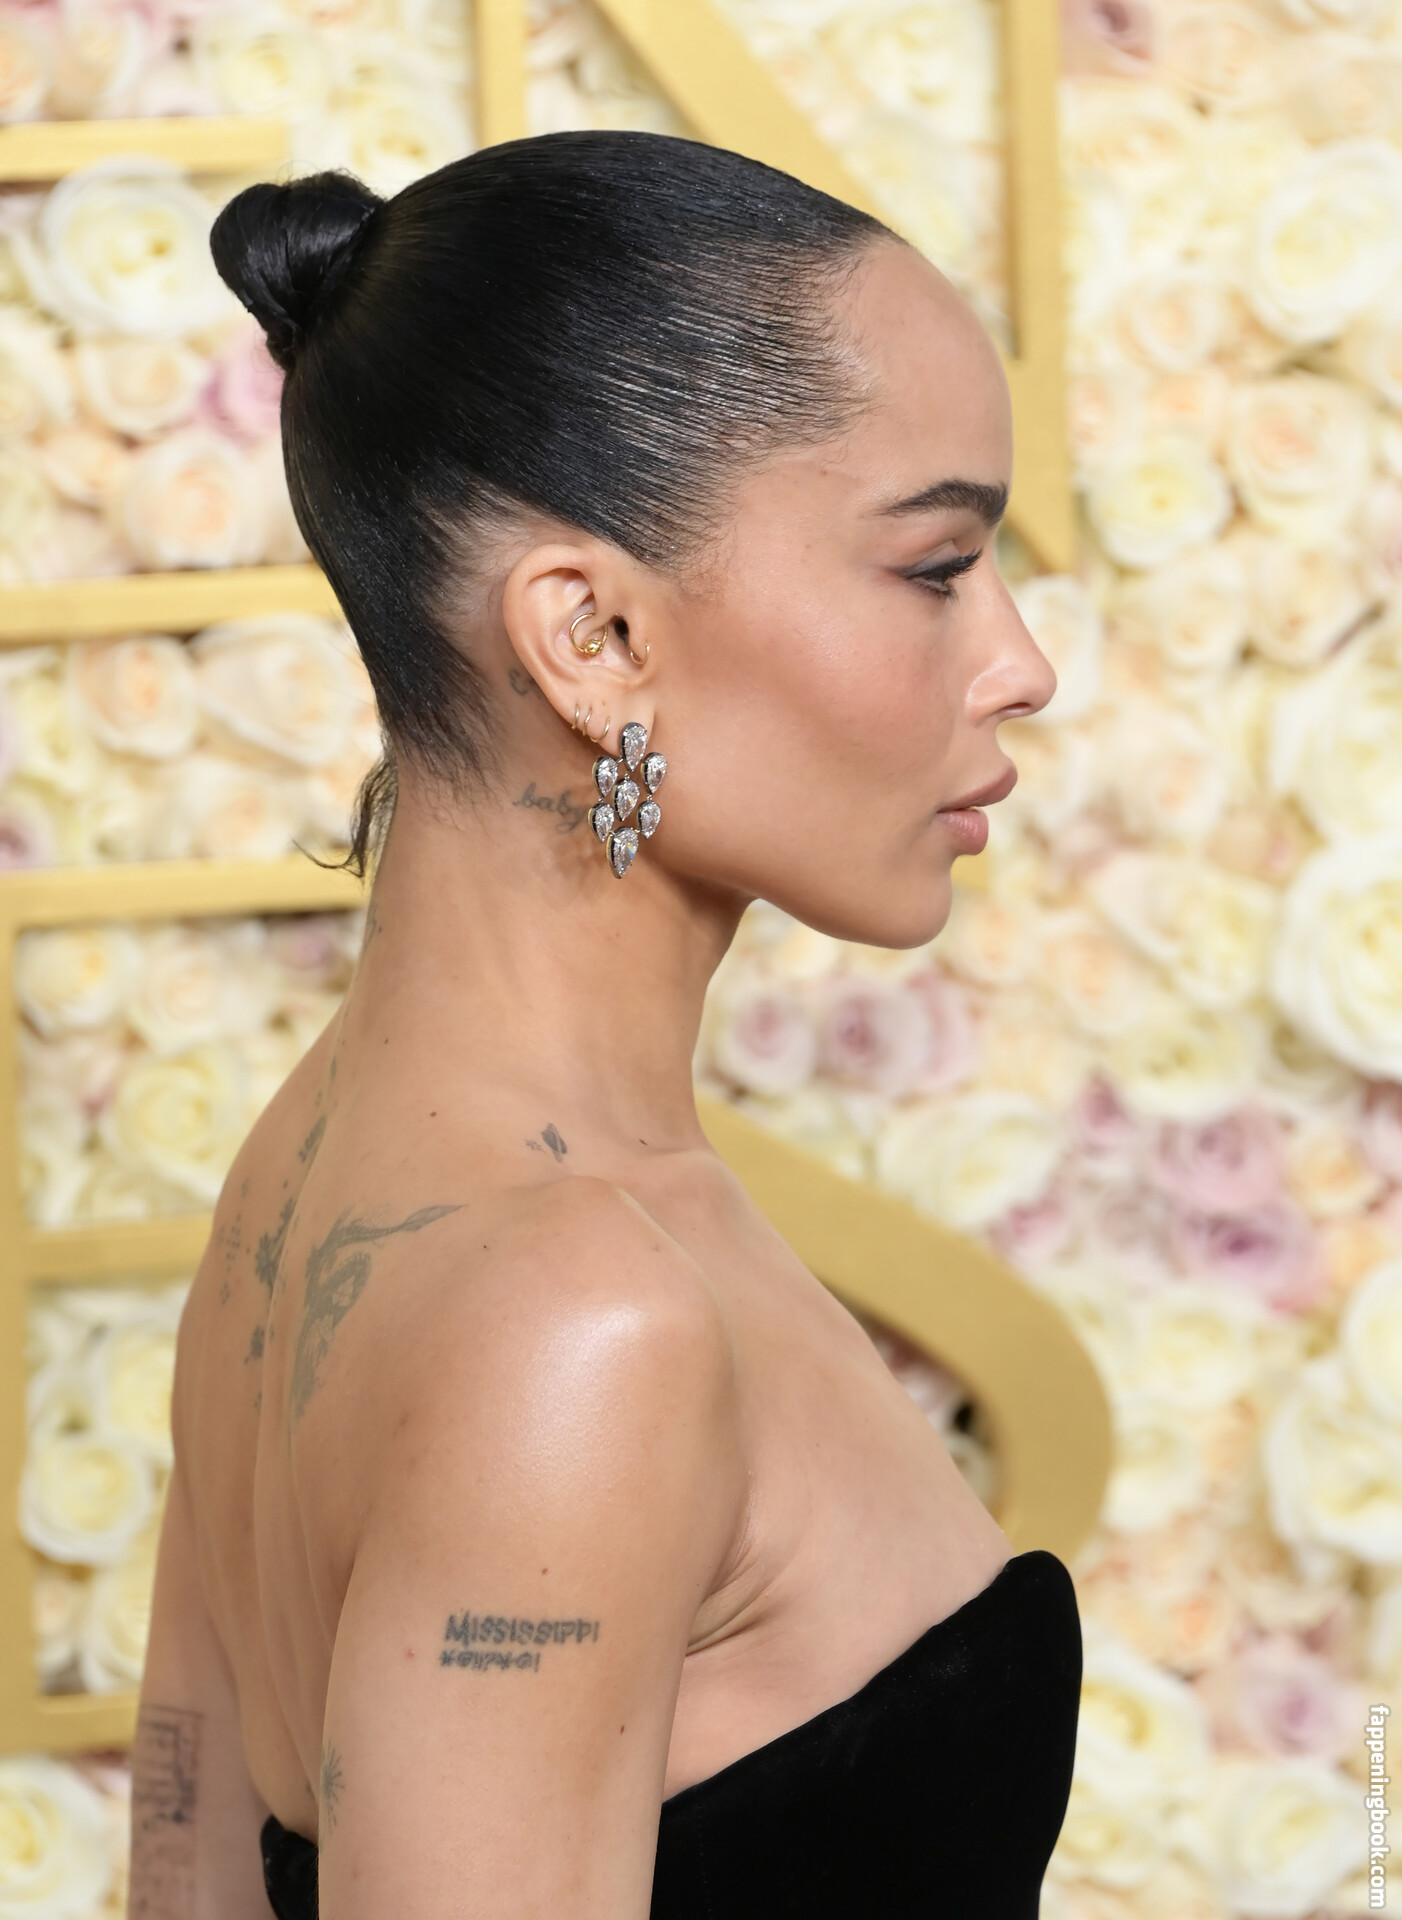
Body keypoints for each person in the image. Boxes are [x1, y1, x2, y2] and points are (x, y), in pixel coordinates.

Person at [134, 131, 1076, 1920]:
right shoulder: (581, 1318)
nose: (1019, 663)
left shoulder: (299, 1188)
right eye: (936, 565)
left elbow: (182, 1879)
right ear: (592, 637)